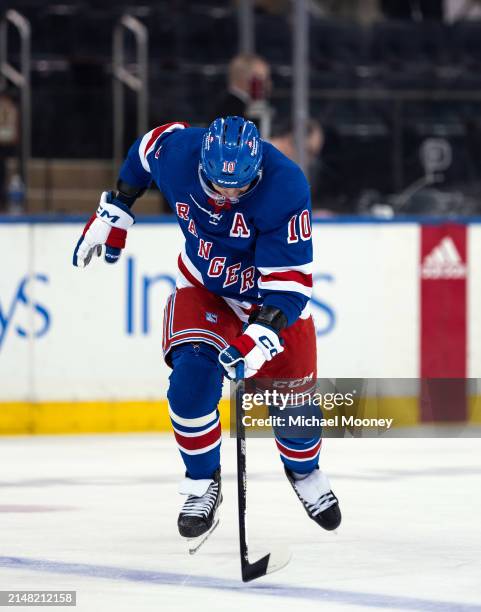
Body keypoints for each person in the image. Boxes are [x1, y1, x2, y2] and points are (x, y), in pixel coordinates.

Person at [72, 116, 341, 548]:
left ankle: (304, 469)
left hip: (268, 303)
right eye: (219, 185)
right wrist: (118, 206)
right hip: (205, 286)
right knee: (191, 383)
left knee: (295, 411)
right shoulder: (180, 154)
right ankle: (201, 483)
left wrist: (259, 339)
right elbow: (144, 150)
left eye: (241, 186)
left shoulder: (286, 185)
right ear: (202, 164)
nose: (229, 195)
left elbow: (290, 288)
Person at [214, 54, 271, 120]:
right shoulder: (235, 111)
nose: (268, 84)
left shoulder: (224, 104)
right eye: (262, 78)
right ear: (243, 78)